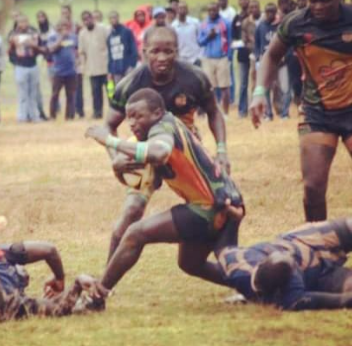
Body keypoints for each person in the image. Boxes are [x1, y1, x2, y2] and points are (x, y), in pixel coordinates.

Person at [250, 0, 352, 268]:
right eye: (311, 1)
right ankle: (318, 249)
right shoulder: (295, 24)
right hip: (317, 114)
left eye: (324, 0)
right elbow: (271, 55)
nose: (317, 7)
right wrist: (259, 93)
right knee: (313, 188)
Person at [85, 88, 244, 306]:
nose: (131, 123)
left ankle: (97, 296)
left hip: (210, 206)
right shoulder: (162, 130)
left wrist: (110, 141)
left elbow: (158, 152)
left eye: (138, 116)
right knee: (190, 263)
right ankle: (253, 283)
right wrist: (118, 169)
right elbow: (151, 180)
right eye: (129, 117)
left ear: (157, 113)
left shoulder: (163, 128)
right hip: (228, 200)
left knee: (135, 233)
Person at [103, 27, 230, 273]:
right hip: (147, 154)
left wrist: (222, 151)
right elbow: (109, 124)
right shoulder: (130, 83)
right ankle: (104, 282)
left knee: (216, 207)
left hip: (185, 156)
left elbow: (214, 112)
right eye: (155, 52)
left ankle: (236, 271)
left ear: (177, 51)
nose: (162, 57)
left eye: (168, 51)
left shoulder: (195, 78)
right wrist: (116, 158)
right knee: (131, 210)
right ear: (144, 52)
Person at [217, 205, 352, 310]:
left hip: (307, 239)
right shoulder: (290, 299)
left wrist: (235, 214)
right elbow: (341, 301)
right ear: (283, 287)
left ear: (263, 262)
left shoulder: (235, 262)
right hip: (324, 277)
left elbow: (225, 241)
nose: (290, 258)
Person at [198, 3, 232, 116]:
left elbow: (230, 40)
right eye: (210, 10)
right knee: (209, 88)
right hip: (208, 58)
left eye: (214, 10)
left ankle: (226, 113)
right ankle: (212, 112)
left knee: (224, 87)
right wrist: (209, 36)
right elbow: (200, 42)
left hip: (222, 58)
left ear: (218, 10)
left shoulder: (225, 23)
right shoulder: (203, 24)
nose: (212, 12)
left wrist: (228, 56)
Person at [9, 15, 42, 123]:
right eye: (20, 22)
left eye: (25, 22)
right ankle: (22, 117)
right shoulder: (13, 35)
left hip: (32, 65)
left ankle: (34, 116)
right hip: (20, 66)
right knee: (22, 93)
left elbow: (39, 48)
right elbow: (10, 50)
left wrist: (32, 44)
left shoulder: (33, 33)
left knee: (33, 93)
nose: (23, 24)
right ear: (17, 23)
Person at [79, 10, 110, 119]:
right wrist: (83, 67)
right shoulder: (82, 34)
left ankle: (114, 112)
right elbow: (82, 52)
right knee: (95, 94)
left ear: (93, 18)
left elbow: (110, 46)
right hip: (92, 69)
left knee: (110, 92)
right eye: (84, 20)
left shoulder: (103, 29)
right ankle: (97, 113)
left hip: (106, 68)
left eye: (88, 18)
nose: (87, 21)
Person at [48, 20, 78, 120]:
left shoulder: (73, 37)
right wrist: (61, 38)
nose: (64, 28)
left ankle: (69, 116)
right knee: (55, 94)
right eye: (61, 26)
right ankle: (52, 115)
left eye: (65, 26)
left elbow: (76, 49)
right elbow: (52, 49)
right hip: (58, 71)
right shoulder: (52, 37)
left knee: (71, 95)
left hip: (71, 71)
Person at [254, 3, 279, 120]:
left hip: (280, 60)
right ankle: (268, 113)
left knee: (280, 87)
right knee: (266, 88)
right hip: (265, 61)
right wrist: (257, 57)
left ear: (276, 12)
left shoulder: (280, 25)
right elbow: (257, 43)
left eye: (272, 12)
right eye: (267, 12)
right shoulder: (260, 26)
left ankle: (283, 111)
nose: (270, 14)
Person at [240, 0, 261, 117]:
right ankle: (247, 109)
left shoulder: (264, 20)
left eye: (256, 7)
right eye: (251, 7)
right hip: (250, 55)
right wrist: (254, 46)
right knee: (249, 83)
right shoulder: (246, 23)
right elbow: (244, 40)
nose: (253, 9)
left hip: (263, 56)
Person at [107, 11, 138, 86]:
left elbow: (133, 49)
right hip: (116, 69)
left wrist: (132, 65)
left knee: (129, 88)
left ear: (118, 18)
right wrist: (110, 70)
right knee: (119, 91)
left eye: (114, 17)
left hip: (127, 67)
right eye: (111, 18)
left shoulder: (126, 31)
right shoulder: (110, 36)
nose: (113, 20)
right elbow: (110, 55)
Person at [232, 0, 251, 118]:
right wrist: (238, 43)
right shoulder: (236, 18)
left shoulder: (253, 16)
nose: (243, 1)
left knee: (256, 84)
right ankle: (242, 110)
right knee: (243, 83)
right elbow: (233, 39)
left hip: (256, 54)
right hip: (242, 55)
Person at [37, 10, 55, 120]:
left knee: (54, 88)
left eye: (42, 17)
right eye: (39, 18)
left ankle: (55, 110)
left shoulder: (52, 30)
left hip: (54, 61)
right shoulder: (37, 32)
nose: (41, 19)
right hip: (43, 62)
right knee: (45, 88)